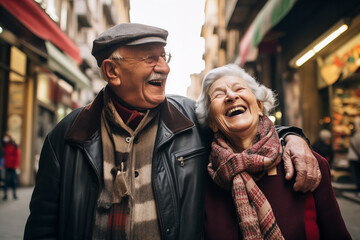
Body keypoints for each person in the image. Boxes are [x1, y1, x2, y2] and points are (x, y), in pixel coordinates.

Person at [24, 23, 320, 239]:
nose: (163, 68)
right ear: (112, 71)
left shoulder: (190, 119)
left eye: (164, 57)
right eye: (149, 58)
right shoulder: (68, 135)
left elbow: (244, 129)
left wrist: (290, 136)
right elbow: (42, 227)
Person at [195, 64, 350, 240]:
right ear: (212, 123)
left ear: (259, 106)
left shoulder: (308, 164)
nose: (231, 96)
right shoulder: (204, 180)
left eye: (238, 88)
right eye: (219, 94)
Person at [2, 133, 20, 200]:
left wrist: (16, 165)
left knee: (14, 180)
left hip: (13, 166)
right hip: (6, 165)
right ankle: (5, 195)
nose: (5, 139)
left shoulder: (14, 145)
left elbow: (17, 156)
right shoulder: (4, 145)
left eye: (6, 137)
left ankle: (14, 194)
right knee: (6, 181)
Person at [348, 116, 360, 198]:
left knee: (357, 174)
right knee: (358, 175)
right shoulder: (358, 134)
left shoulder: (353, 134)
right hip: (357, 158)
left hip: (353, 157)